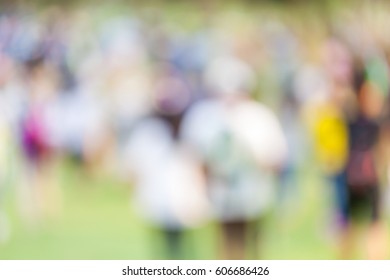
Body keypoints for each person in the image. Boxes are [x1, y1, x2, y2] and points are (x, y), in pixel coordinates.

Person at [181, 54, 287, 259]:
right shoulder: (206, 116)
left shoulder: (258, 116)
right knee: (226, 248)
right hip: (221, 195)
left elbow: (275, 158)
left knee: (253, 248)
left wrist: (252, 160)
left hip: (254, 194)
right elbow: (194, 158)